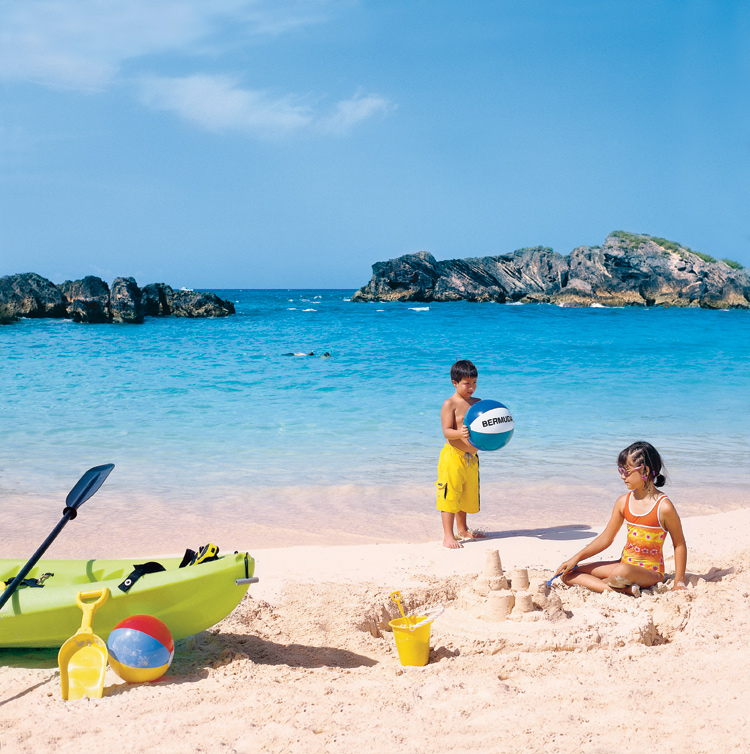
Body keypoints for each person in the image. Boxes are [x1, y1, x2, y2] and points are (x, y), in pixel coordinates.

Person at [553, 441, 687, 595]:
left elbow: (679, 544)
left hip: (650, 573)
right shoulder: (623, 502)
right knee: (567, 573)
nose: (623, 476)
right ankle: (621, 589)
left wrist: (679, 581)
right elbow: (606, 538)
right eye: (620, 470)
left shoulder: (664, 507)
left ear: (645, 471)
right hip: (623, 564)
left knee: (622, 571)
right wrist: (575, 559)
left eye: (627, 471)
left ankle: (609, 585)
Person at [436, 360, 486, 549]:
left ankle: (463, 529)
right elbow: (447, 431)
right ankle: (448, 536)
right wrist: (460, 433)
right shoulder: (450, 404)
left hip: (471, 458)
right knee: (449, 495)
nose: (471, 387)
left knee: (466, 494)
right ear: (454, 382)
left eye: (474, 383)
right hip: (453, 456)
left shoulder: (478, 404)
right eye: (467, 383)